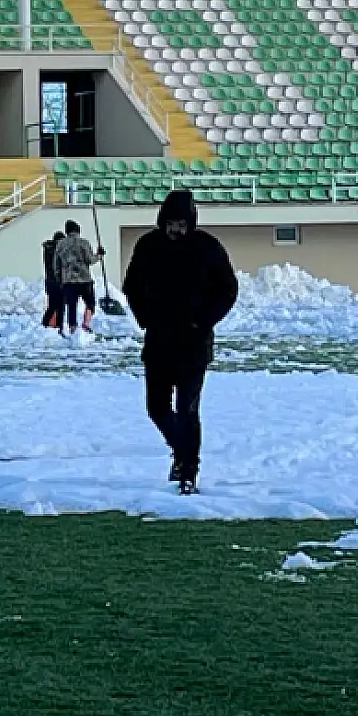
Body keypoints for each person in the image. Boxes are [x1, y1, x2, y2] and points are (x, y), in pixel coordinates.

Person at [122, 190, 239, 495]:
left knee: (187, 410)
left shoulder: (208, 248)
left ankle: (189, 470)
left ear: (191, 223)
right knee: (157, 408)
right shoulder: (148, 246)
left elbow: (228, 290)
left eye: (182, 224)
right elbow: (131, 285)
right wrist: (144, 316)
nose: (176, 230)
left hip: (193, 344)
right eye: (171, 224)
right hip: (159, 341)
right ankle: (181, 450)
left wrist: (203, 320)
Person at [53, 220, 103, 336]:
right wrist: (99, 255)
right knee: (90, 303)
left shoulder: (60, 245)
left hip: (68, 281)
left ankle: (73, 328)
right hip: (85, 279)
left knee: (72, 306)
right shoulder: (84, 243)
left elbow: (56, 265)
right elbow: (90, 260)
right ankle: (86, 323)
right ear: (78, 230)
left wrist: (59, 278)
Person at [41, 230, 65, 330]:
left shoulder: (48, 249)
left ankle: (47, 324)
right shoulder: (56, 250)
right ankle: (57, 326)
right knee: (59, 307)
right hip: (57, 282)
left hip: (51, 282)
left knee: (53, 306)